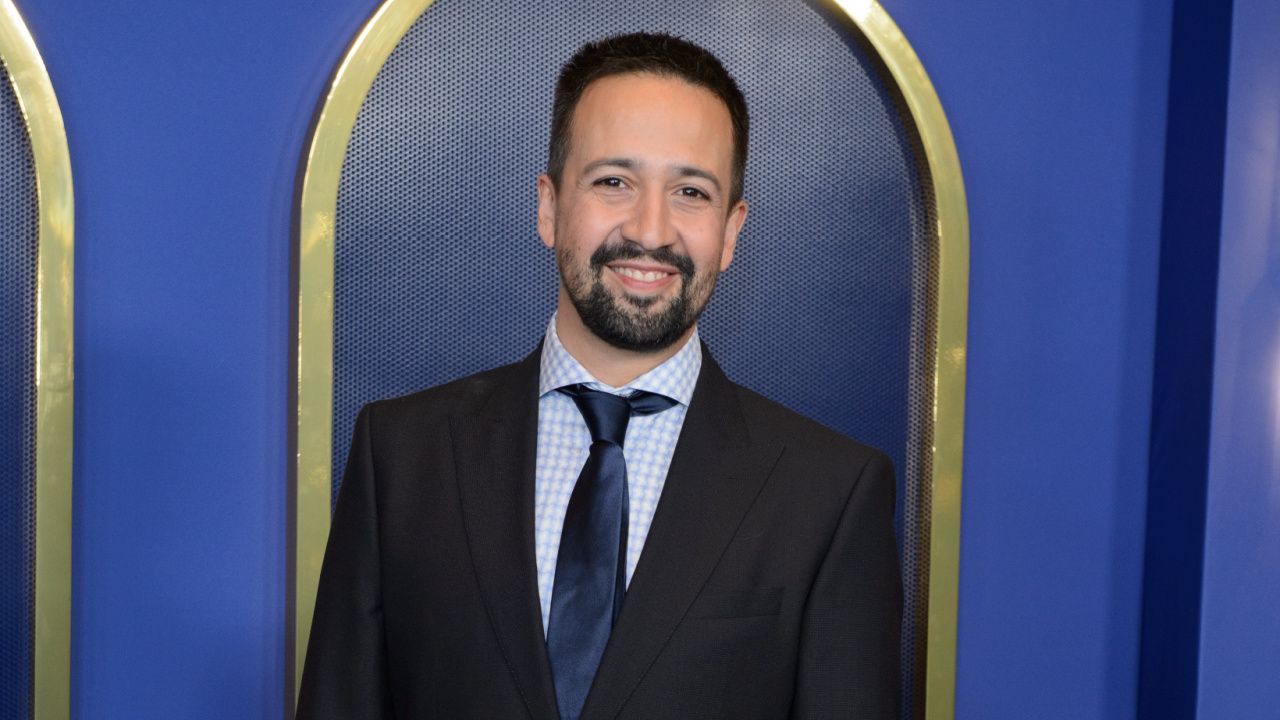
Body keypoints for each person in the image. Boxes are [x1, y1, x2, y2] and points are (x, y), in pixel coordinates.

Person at [296, 32, 901, 719]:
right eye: (614, 181)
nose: (651, 229)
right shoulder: (402, 458)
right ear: (549, 207)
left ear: (732, 231)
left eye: (691, 192)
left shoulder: (829, 495)